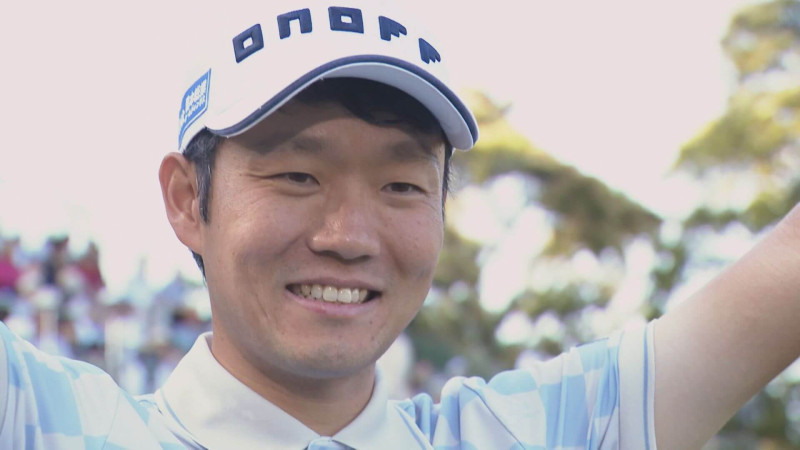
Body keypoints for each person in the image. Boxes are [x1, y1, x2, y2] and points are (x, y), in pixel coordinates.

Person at [1, 1, 798, 449]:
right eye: (298, 175)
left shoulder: (519, 437)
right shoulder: (46, 421)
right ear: (186, 200)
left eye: (401, 185)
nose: (349, 235)